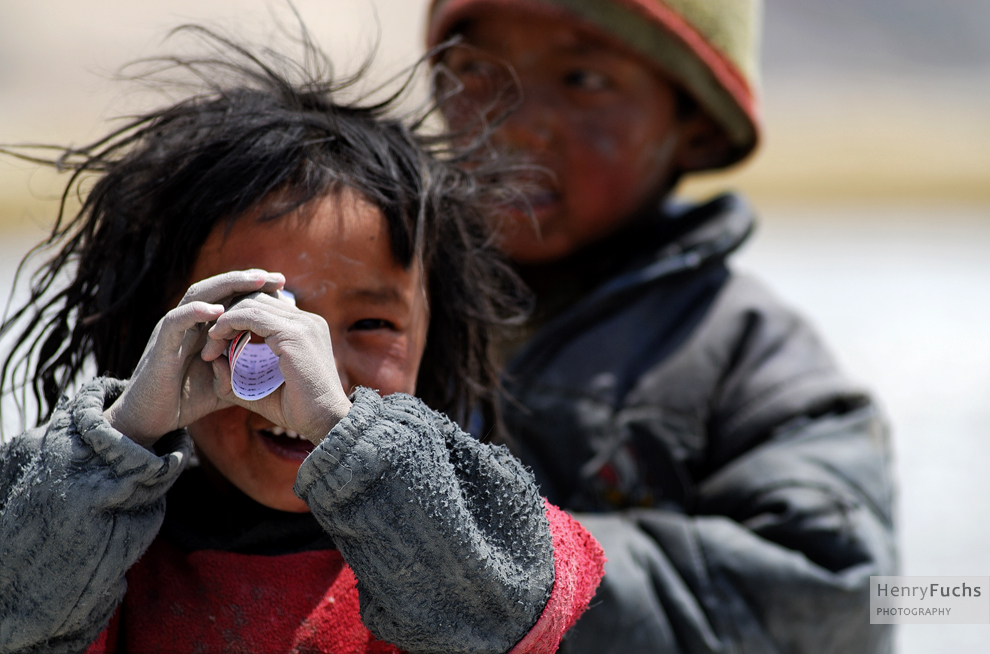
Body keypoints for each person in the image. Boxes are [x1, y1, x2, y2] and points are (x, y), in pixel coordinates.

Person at [0, 24, 604, 654]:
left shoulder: (478, 533)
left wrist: (357, 444)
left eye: (371, 325)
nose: (307, 363)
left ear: (435, 342)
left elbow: (504, 616)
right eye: (257, 318)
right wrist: (119, 442)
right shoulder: (97, 546)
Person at [425, 0, 897, 652]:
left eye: (584, 81)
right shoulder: (371, 309)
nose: (512, 126)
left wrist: (515, 571)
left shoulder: (747, 352)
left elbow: (840, 592)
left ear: (695, 127)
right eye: (476, 70)